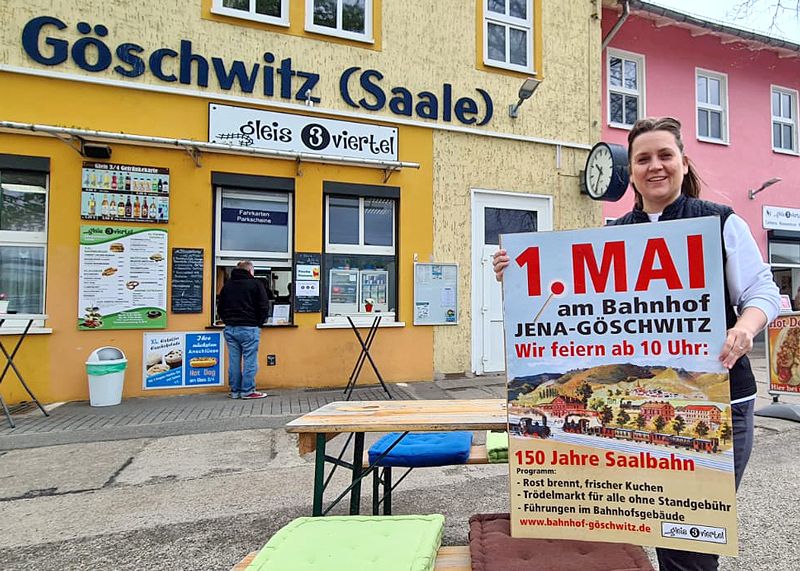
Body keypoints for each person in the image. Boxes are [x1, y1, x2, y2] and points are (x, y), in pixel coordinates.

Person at [492, 117, 779, 571]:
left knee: (690, 535)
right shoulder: (613, 235)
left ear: (683, 163)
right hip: (636, 406)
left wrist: (745, 327)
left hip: (724, 400)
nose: (655, 166)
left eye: (665, 155)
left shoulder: (720, 222)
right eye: (643, 158)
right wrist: (518, 272)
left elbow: (763, 293)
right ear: (632, 172)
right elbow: (567, 300)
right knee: (644, 523)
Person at [217, 260, 270, 399]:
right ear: (250, 271)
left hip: (230, 328)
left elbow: (220, 307)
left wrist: (228, 320)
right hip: (249, 327)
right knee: (250, 360)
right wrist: (258, 323)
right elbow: (264, 306)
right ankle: (248, 391)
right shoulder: (256, 284)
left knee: (234, 361)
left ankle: (235, 391)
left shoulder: (227, 286)